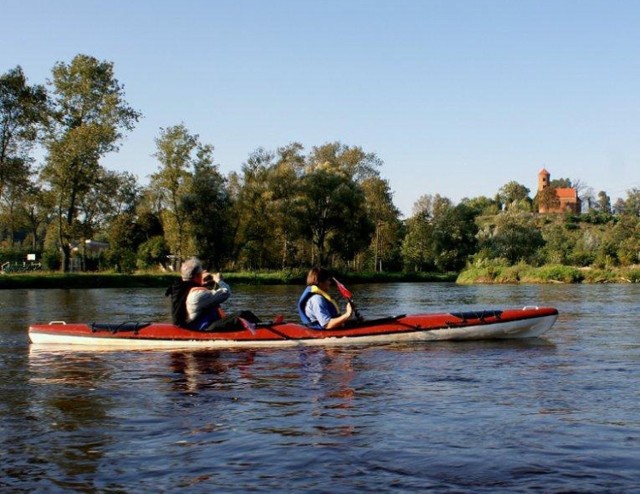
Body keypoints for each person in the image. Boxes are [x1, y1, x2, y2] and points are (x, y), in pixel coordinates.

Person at [165, 257, 231, 330]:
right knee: (240, 314)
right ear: (197, 275)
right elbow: (226, 292)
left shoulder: (182, 288)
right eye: (201, 272)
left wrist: (203, 281)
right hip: (197, 327)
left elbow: (207, 293)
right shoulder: (197, 294)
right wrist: (218, 280)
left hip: (190, 323)